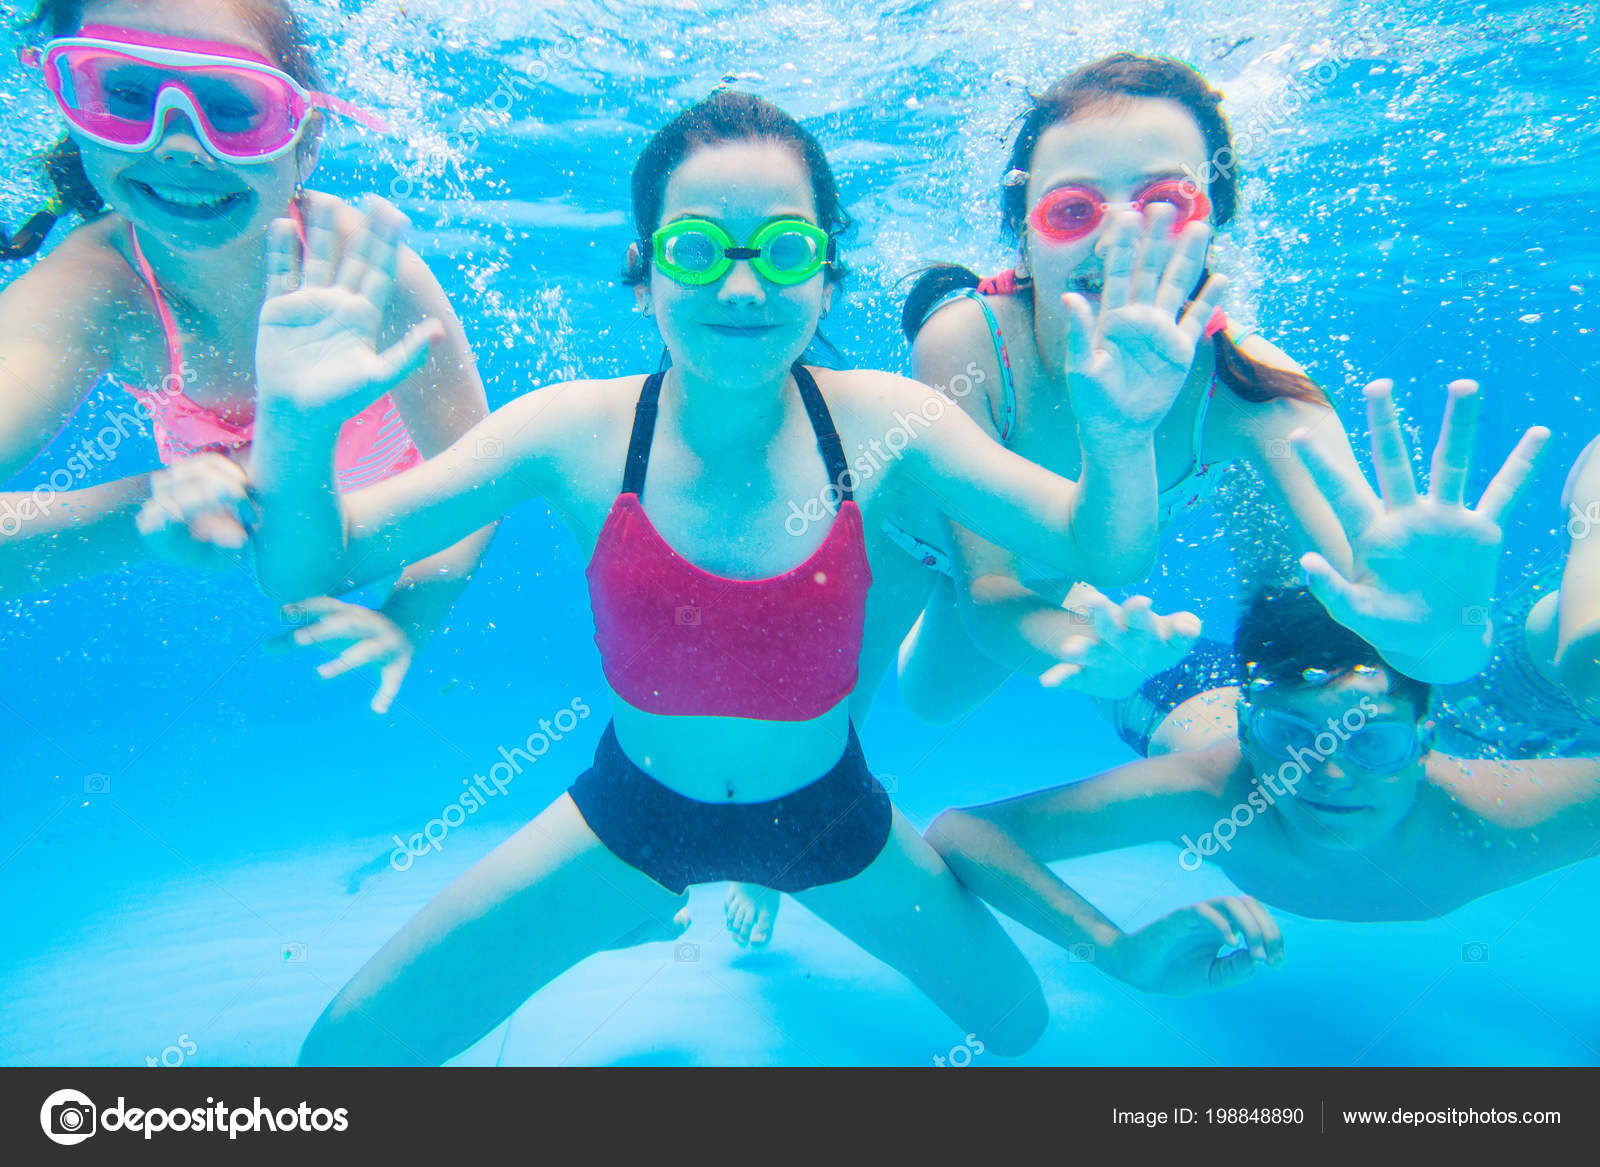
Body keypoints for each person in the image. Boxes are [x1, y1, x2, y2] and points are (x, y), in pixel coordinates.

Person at [178, 89, 1227, 1062]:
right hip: (636, 812)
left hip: (828, 813)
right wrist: (299, 435)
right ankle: (636, 905)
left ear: (826, 271)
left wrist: (1119, 436)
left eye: (781, 249)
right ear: (644, 273)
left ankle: (662, 906)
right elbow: (321, 561)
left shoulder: (889, 426)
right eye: (695, 248)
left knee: (1018, 1026)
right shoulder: (571, 432)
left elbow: (1098, 548)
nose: (739, 284)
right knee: (348, 1058)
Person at [891, 53, 1519, 746]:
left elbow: (1390, 609)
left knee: (933, 700)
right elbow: (985, 591)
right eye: (1074, 209)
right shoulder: (970, 347)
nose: (1121, 236)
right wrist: (1072, 637)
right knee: (922, 699)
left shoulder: (1256, 393)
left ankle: (1110, 645)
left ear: (1213, 223)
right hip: (918, 540)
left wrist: (1446, 629)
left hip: (1042, 573)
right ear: (1023, 238)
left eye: (1165, 202)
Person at [0, 0, 494, 712]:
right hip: (217, 505)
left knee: (293, 571)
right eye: (127, 95)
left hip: (383, 507)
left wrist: (407, 619)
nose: (175, 144)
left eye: (231, 104)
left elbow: (477, 471)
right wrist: (142, 511)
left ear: (305, 142)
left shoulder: (366, 275)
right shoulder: (92, 288)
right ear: (72, 107)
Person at [925, 586, 1600, 996]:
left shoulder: (1493, 817)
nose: (1329, 775)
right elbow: (964, 832)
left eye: (1371, 742)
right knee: (1073, 613)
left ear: (1426, 743)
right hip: (1187, 695)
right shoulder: (1212, 793)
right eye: (1288, 737)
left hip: (1294, 690)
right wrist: (1117, 951)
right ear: (1249, 734)